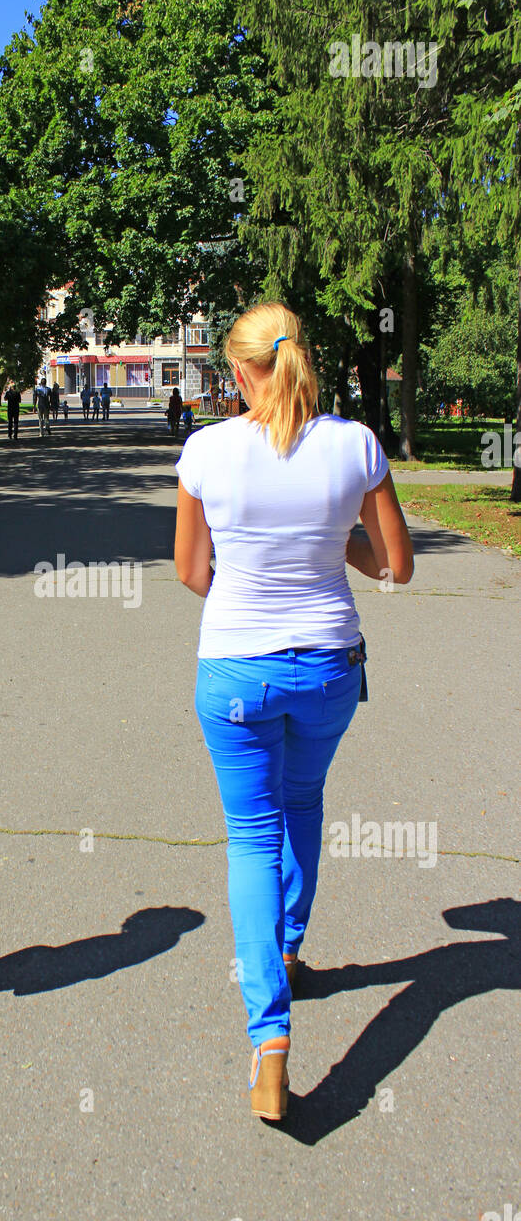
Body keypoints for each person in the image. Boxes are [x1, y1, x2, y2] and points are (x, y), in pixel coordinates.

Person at [174, 301, 414, 1121]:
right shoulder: (354, 444)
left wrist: (249, 576)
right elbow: (396, 566)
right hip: (326, 668)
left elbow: (190, 571)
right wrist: (329, 535)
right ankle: (287, 945)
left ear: (238, 373)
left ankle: (269, 1039)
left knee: (251, 835)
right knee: (304, 803)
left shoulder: (206, 450)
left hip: (235, 669)